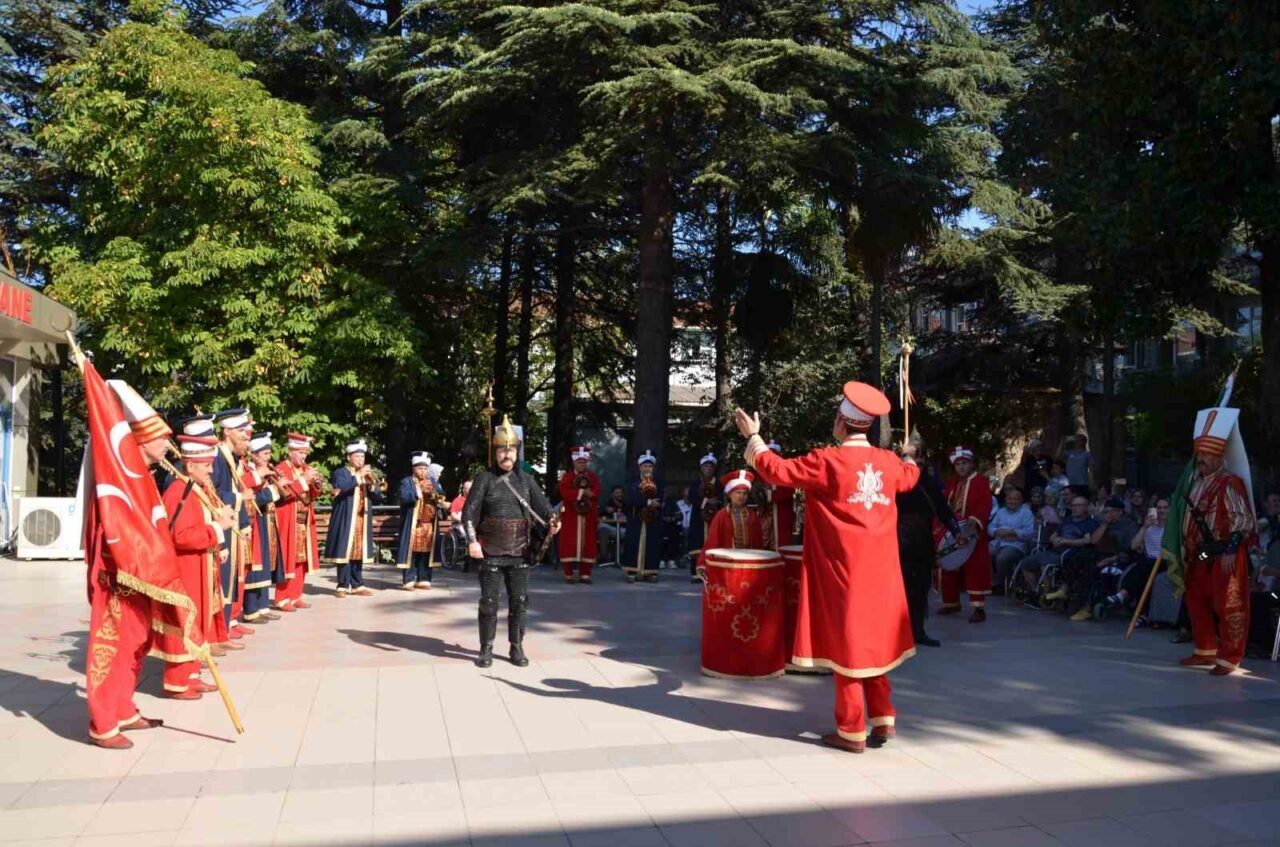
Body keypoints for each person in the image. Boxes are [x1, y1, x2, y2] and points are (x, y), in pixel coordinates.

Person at [735, 381, 919, 754]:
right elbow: (910, 477)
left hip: (843, 571)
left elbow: (777, 470)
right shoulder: (888, 463)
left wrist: (754, 437)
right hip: (882, 571)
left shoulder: (827, 461)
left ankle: (851, 730)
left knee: (848, 645)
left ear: (840, 421)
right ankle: (883, 717)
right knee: (873, 643)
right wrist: (910, 455)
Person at [84, 380, 183, 746]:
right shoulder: (119, 479)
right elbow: (112, 531)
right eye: (161, 438)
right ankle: (102, 722)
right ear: (141, 440)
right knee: (111, 647)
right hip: (119, 578)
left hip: (143, 576)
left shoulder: (142, 477)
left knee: (137, 642)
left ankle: (123, 708)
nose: (167, 444)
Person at [463, 415, 559, 667]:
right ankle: (486, 648)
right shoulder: (484, 479)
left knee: (520, 602)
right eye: (502, 451)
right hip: (490, 550)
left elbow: (544, 507)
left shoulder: (527, 480)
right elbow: (469, 514)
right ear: (495, 453)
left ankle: (516, 646)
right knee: (489, 603)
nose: (507, 455)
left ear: (517, 453)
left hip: (520, 551)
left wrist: (553, 519)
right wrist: (472, 541)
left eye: (511, 451)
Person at [1179, 407, 1255, 675]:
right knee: (1196, 599)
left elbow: (1242, 520)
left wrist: (1232, 549)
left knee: (1228, 603)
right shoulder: (1194, 482)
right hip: (1199, 552)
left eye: (1208, 455)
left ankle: (1230, 657)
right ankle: (1205, 650)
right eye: (1200, 454)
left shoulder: (1229, 482)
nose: (1202, 459)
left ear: (1220, 457)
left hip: (1225, 551)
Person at [161, 434, 236, 696]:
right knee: (186, 623)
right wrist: (218, 528)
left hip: (200, 567)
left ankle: (191, 673)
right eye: (206, 465)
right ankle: (177, 681)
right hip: (187, 570)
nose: (211, 470)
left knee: (198, 620)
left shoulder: (194, 489)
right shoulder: (179, 492)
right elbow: (180, 536)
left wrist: (217, 534)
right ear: (190, 465)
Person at [896, 454, 956, 648]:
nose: (916, 468)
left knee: (921, 590)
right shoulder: (895, 487)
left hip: (923, 544)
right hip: (899, 544)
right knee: (901, 590)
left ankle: (918, 632)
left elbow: (944, 511)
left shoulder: (929, 487)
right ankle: (898, 635)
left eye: (920, 464)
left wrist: (957, 532)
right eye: (911, 464)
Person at [212, 409, 256, 639]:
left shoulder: (230, 457)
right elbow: (214, 493)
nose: (246, 436)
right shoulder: (218, 457)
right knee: (224, 577)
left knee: (233, 577)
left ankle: (229, 621)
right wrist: (240, 497)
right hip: (222, 526)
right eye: (241, 431)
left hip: (234, 525)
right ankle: (221, 629)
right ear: (227, 431)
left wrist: (245, 522)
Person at [939, 446, 993, 623]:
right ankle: (951, 602)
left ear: (971, 464)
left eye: (965, 463)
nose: (961, 467)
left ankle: (978, 608)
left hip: (972, 533)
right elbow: (945, 505)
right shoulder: (953, 483)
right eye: (958, 464)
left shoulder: (980, 481)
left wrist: (975, 520)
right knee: (948, 564)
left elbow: (985, 504)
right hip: (954, 531)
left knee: (974, 569)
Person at [324, 439, 384, 596]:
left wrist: (372, 486)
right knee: (345, 551)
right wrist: (358, 476)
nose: (360, 460)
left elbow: (378, 498)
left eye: (362, 457)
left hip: (361, 519)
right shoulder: (341, 472)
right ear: (348, 457)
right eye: (357, 456)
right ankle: (342, 585)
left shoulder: (367, 475)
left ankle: (358, 584)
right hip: (345, 517)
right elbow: (341, 487)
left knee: (358, 551)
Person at [1020, 495, 1103, 602]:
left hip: (1070, 554)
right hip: (1055, 550)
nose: (1075, 508)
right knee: (1025, 563)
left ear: (1086, 507)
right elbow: (1053, 535)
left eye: (1078, 505)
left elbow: (1087, 540)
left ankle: (1046, 595)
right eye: (1073, 505)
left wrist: (1066, 541)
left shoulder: (1089, 523)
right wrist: (1055, 539)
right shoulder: (1067, 520)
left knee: (1045, 563)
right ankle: (1035, 590)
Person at [1068, 497, 1139, 621]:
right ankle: (1068, 594)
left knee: (1093, 571)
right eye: (1105, 512)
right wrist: (1104, 524)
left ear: (1119, 512)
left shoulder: (1130, 527)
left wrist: (1111, 559)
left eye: (1109, 511)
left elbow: (1130, 550)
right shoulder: (1104, 522)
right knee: (1077, 560)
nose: (1107, 514)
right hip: (1101, 554)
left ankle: (1088, 607)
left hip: (1121, 558)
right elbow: (1094, 541)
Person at [274, 433, 323, 611]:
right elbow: (284, 493)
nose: (304, 457)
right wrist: (304, 480)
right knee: (288, 559)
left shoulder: (305, 468)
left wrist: (317, 484)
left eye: (305, 453)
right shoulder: (281, 468)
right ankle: (281, 598)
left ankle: (295, 595)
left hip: (304, 521)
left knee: (302, 559)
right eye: (300, 453)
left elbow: (313, 494)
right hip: (288, 519)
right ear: (290, 451)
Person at [1099, 496, 1169, 614]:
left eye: (1165, 508)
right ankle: (1141, 614)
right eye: (1159, 508)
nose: (1162, 510)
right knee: (1143, 569)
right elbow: (1134, 546)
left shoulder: (1173, 528)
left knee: (1145, 564)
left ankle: (1123, 594)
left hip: (1165, 561)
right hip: (1149, 563)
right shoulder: (1149, 528)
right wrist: (1145, 527)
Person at [243, 432, 284, 619]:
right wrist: (274, 489)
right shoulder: (248, 473)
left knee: (266, 563)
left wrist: (280, 485)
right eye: (265, 453)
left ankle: (263, 606)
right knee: (255, 566)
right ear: (255, 455)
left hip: (268, 521)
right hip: (255, 523)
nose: (269, 457)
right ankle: (251, 609)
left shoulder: (265, 473)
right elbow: (252, 499)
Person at [396, 451, 447, 589]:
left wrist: (435, 493)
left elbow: (442, 495)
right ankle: (408, 579)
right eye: (420, 468)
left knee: (426, 552)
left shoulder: (433, 481)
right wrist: (418, 491)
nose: (423, 471)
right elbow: (404, 497)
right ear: (413, 468)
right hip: (413, 524)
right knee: (411, 552)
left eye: (425, 468)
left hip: (428, 524)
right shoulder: (406, 482)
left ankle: (424, 578)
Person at [695, 470, 764, 566]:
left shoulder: (752, 515)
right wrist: (704, 562)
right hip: (728, 562)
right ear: (729, 495)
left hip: (749, 560)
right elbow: (712, 541)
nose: (742, 496)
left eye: (745, 493)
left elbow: (758, 541)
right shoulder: (721, 516)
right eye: (738, 492)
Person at [558, 446, 602, 583]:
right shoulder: (568, 477)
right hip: (571, 515)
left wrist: (591, 494)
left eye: (584, 462)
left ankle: (585, 574)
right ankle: (568, 574)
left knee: (588, 543)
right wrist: (582, 492)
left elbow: (597, 490)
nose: (582, 464)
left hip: (588, 516)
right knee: (569, 543)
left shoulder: (592, 477)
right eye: (579, 462)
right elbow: (564, 492)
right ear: (574, 462)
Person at [623, 451, 665, 583]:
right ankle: (632, 571)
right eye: (645, 466)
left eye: (650, 466)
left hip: (652, 518)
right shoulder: (633, 482)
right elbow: (630, 499)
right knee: (633, 543)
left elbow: (661, 498)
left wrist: (656, 504)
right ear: (640, 467)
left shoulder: (658, 482)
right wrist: (648, 502)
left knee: (652, 544)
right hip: (636, 518)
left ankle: (650, 571)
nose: (647, 469)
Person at [1248, 493, 1280, 653]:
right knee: (1249, 595)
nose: (1277, 504)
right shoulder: (1274, 540)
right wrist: (1254, 580)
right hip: (1270, 584)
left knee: (1260, 601)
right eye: (1274, 501)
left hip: (1276, 590)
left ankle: (1262, 645)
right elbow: (1262, 566)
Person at [989, 485, 1035, 594]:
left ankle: (1000, 584)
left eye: (1015, 499)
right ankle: (990, 582)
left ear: (1020, 501)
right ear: (1006, 500)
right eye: (1010, 499)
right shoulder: (1001, 512)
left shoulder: (1026, 513)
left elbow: (1029, 532)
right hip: (998, 541)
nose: (1012, 501)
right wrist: (996, 532)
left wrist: (1012, 532)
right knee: (984, 553)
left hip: (1016, 544)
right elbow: (990, 527)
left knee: (1002, 558)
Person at [685, 453, 720, 577]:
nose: (708, 469)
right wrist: (706, 501)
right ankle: (696, 573)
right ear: (701, 468)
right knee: (697, 543)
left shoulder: (718, 484)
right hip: (698, 518)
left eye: (711, 466)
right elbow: (691, 498)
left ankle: (712, 573)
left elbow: (721, 499)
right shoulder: (695, 483)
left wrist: (716, 503)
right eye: (706, 466)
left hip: (713, 518)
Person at [761, 439, 797, 550]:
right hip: (766, 515)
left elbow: (788, 491)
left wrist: (769, 495)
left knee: (781, 543)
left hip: (781, 514)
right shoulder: (762, 473)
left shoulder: (785, 471)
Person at [598, 485, 627, 564]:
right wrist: (605, 511)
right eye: (617, 493)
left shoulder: (626, 504)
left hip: (623, 529)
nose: (619, 494)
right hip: (611, 528)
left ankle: (621, 557)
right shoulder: (607, 504)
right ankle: (603, 557)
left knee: (631, 533)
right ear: (612, 494)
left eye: (621, 493)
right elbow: (599, 515)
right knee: (602, 528)